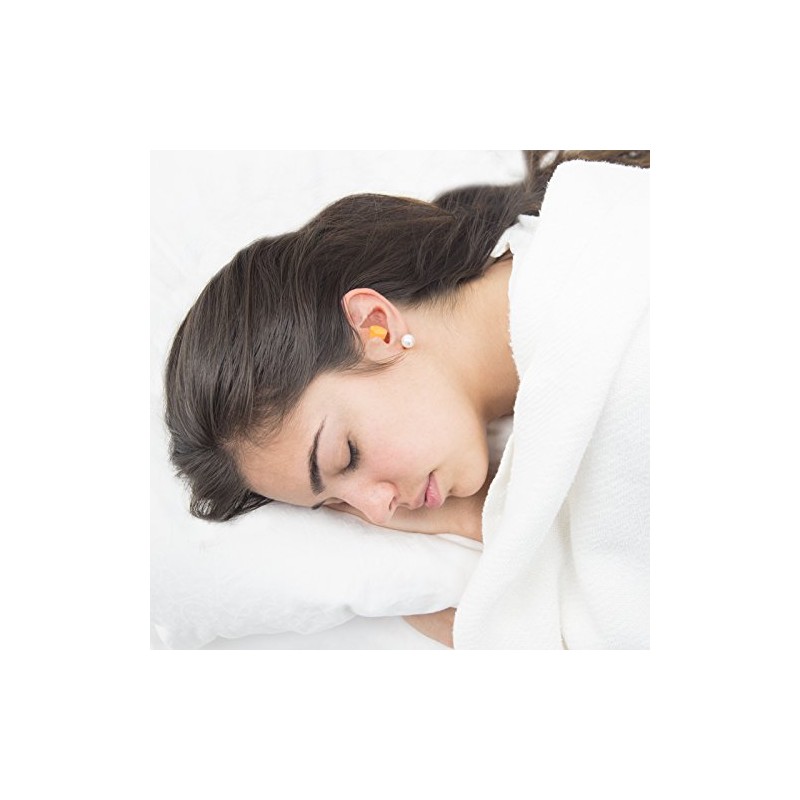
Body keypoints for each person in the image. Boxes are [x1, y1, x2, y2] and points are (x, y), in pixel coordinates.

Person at [165, 151, 649, 649]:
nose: (379, 512)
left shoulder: (628, 339)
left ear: (376, 326)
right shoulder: (551, 257)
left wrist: (483, 527)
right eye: (335, 503)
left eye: (346, 455)